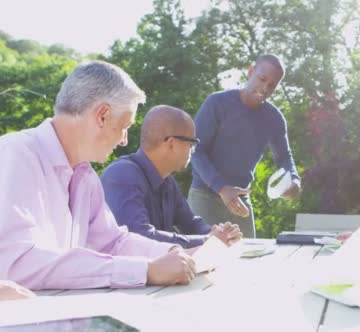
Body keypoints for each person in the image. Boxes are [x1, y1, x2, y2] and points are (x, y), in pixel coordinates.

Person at [0, 61, 197, 290]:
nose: (124, 140)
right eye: (125, 126)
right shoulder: (15, 154)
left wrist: (178, 254)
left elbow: (113, 243)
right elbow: (17, 264)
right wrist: (144, 270)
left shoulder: (85, 176)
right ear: (102, 115)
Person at [188, 54, 301, 238]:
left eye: (272, 85)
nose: (265, 88)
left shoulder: (274, 118)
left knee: (248, 261)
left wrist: (294, 181)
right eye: (262, 79)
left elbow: (284, 159)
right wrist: (221, 188)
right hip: (204, 196)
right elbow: (195, 150)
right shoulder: (217, 103)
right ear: (250, 72)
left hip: (240, 202)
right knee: (201, 261)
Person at [101, 105, 242, 249]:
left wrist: (218, 234)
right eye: (191, 144)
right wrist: (206, 240)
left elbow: (190, 223)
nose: (192, 151)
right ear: (172, 144)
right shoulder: (122, 175)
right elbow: (139, 237)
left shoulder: (167, 181)